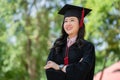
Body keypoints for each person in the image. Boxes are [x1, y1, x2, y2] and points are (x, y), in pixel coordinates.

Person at [44, 4, 95, 80]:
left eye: (72, 20)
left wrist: (59, 67)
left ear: (80, 23)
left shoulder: (87, 47)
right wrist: (75, 68)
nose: (68, 24)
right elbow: (49, 71)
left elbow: (83, 72)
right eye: (66, 21)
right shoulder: (57, 45)